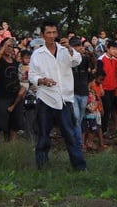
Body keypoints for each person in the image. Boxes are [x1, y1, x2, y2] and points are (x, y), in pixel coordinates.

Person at [28, 20, 86, 171]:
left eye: (54, 33)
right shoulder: (37, 54)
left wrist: (70, 49)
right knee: (43, 136)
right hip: (46, 98)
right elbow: (32, 75)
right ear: (42, 35)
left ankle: (80, 167)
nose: (52, 36)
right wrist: (42, 80)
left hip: (64, 99)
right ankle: (42, 167)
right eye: (48, 33)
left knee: (71, 135)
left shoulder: (64, 50)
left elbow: (77, 61)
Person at [0, 38, 24, 142]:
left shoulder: (14, 61)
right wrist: (3, 47)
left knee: (14, 126)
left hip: (16, 97)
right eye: (7, 46)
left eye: (11, 46)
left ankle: (11, 150)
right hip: (3, 97)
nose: (10, 48)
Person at [97, 41, 117, 137]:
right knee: (105, 109)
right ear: (108, 49)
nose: (115, 51)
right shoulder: (101, 59)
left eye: (116, 49)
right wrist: (101, 87)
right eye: (113, 49)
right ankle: (102, 131)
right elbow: (99, 75)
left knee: (110, 109)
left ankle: (105, 129)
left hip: (112, 88)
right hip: (104, 88)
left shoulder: (115, 60)